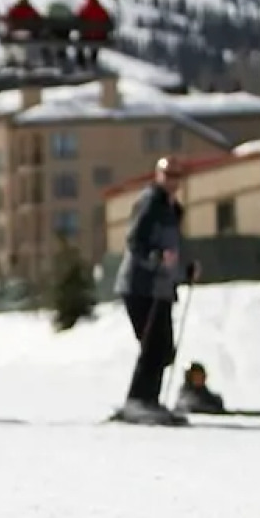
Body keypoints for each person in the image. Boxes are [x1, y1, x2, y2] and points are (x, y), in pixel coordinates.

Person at [113, 157, 199, 423]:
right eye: (167, 175)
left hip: (161, 288)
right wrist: (155, 257)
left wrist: (185, 271)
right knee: (154, 345)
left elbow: (172, 251)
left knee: (163, 348)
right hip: (140, 285)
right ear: (158, 175)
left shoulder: (173, 209)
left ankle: (150, 400)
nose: (172, 181)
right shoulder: (150, 202)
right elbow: (135, 240)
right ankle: (138, 400)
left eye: (177, 176)